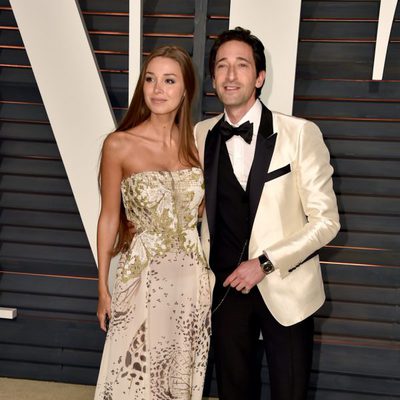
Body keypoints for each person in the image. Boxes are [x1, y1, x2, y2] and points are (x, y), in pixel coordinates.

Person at [194, 27, 340, 400]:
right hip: (225, 289)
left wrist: (265, 263)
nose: (230, 75)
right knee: (233, 392)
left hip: (286, 285)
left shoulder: (300, 133)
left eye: (241, 65)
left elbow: (326, 221)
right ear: (213, 79)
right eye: (222, 66)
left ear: (259, 77)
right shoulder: (200, 135)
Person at [95, 45, 211, 400]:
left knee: (179, 379)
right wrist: (103, 286)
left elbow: (203, 211)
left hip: (192, 282)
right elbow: (110, 217)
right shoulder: (119, 145)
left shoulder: (198, 144)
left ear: (185, 89)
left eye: (169, 80)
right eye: (150, 79)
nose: (158, 89)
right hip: (143, 277)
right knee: (134, 378)